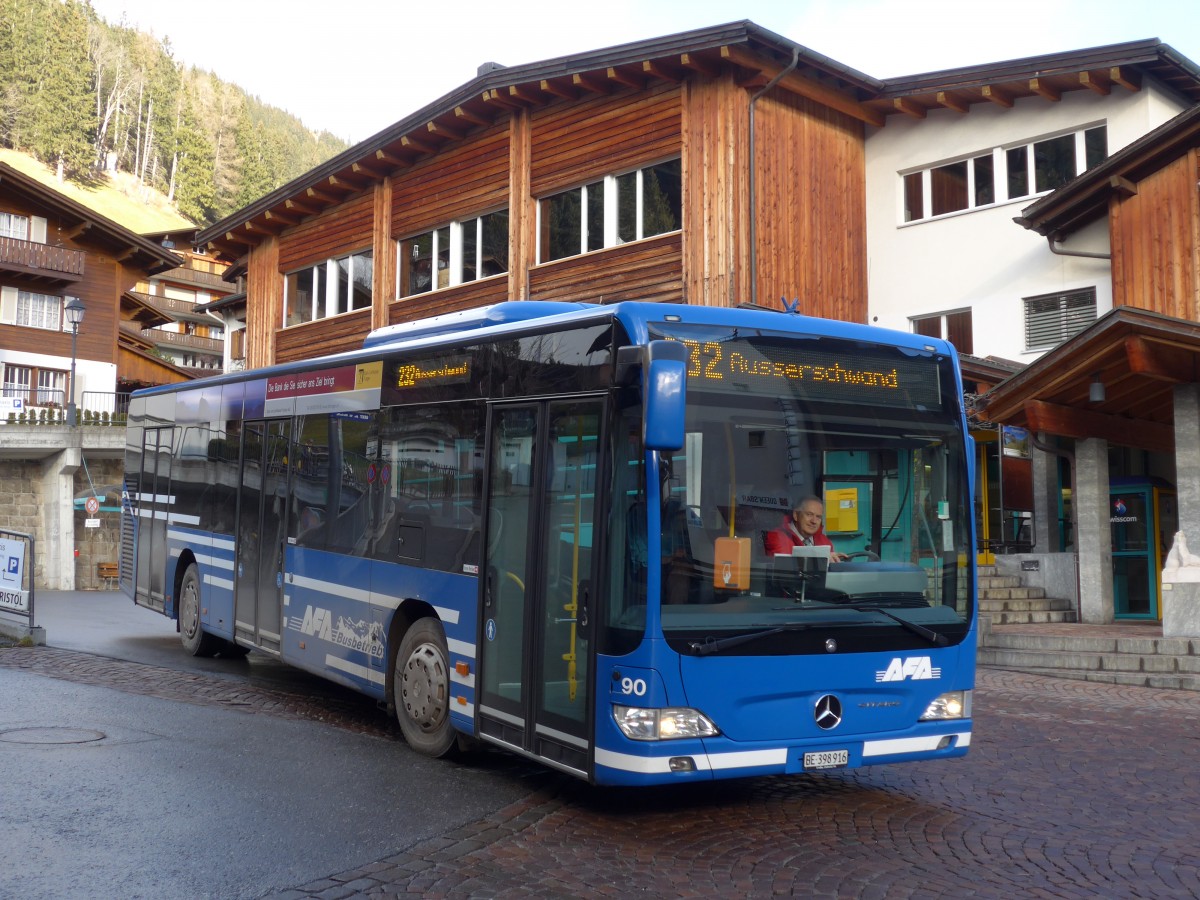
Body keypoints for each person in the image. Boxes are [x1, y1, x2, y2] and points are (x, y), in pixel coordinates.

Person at [765, 496, 846, 562]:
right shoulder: (777, 536)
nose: (814, 521)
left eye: (818, 517)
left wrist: (836, 562)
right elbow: (786, 566)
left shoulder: (824, 540)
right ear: (796, 515)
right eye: (809, 514)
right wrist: (823, 559)